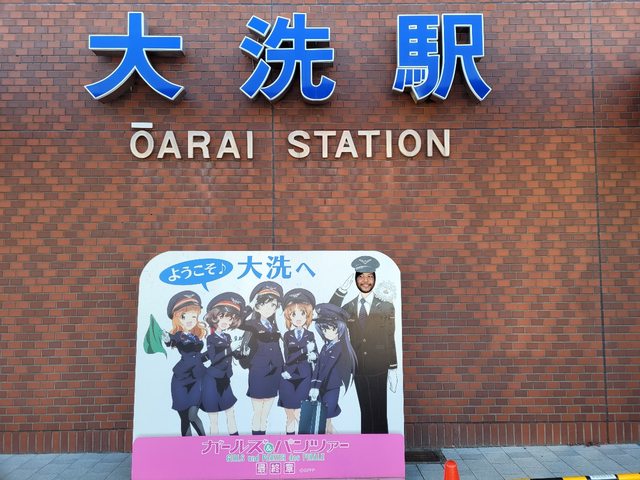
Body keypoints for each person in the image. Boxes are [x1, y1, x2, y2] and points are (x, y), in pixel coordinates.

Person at [330, 255, 398, 434]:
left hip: (379, 365)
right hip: (358, 366)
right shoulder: (348, 307)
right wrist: (341, 291)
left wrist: (393, 368)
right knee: (365, 411)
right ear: (355, 279)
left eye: (369, 276)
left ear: (375, 278)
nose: (365, 281)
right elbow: (329, 315)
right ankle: (368, 447)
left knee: (380, 411)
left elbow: (390, 337)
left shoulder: (386, 306)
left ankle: (382, 447)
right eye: (361, 276)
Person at [240, 281, 284, 435]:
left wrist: (282, 369)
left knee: (265, 414)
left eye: (273, 305)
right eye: (264, 304)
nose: (269, 309)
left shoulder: (275, 326)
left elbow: (278, 349)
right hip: (258, 372)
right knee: (258, 411)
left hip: (274, 373)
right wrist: (248, 308)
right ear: (257, 306)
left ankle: (262, 438)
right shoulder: (252, 324)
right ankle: (255, 439)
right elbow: (239, 322)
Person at [162, 290, 207, 437]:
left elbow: (199, 357)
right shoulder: (178, 336)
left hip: (197, 378)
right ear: (177, 318)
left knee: (192, 415)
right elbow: (171, 340)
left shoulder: (196, 336)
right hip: (180, 379)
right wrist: (167, 339)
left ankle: (203, 441)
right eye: (184, 316)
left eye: (193, 316)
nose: (190, 320)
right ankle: (187, 446)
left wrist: (215, 354)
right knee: (184, 418)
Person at [201, 292, 245, 435]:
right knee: (214, 417)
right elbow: (214, 358)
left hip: (225, 378)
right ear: (214, 317)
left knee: (230, 412)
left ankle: (235, 440)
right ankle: (214, 444)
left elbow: (231, 355)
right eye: (222, 316)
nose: (226, 321)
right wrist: (229, 349)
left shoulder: (227, 336)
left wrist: (241, 352)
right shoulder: (211, 338)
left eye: (230, 318)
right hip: (212, 379)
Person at [308, 303, 357, 434]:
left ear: (339, 328)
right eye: (324, 329)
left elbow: (327, 369)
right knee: (325, 422)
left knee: (325, 420)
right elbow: (318, 368)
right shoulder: (325, 347)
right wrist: (313, 385)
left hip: (331, 388)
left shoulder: (339, 348)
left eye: (331, 329)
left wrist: (316, 386)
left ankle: (333, 443)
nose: (327, 333)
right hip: (322, 388)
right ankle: (334, 442)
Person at [278, 288, 318, 434]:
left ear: (308, 315)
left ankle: (304, 439)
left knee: (300, 412)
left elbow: (316, 355)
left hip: (305, 376)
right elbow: (288, 358)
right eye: (293, 314)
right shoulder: (287, 335)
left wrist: (314, 356)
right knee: (289, 416)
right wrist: (304, 350)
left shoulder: (310, 334)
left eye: (302, 313)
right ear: (289, 317)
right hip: (288, 377)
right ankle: (290, 441)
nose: (298, 318)